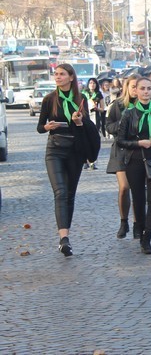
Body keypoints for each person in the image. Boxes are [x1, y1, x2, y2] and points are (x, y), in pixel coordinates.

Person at [36, 64, 93, 257]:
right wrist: (47, 126)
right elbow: (39, 127)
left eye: (62, 74)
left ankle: (65, 235)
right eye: (56, 74)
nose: (58, 77)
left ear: (71, 77)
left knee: (69, 194)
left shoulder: (81, 99)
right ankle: (64, 239)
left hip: (75, 150)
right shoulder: (49, 99)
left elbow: (87, 127)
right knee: (60, 192)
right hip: (55, 149)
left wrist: (79, 122)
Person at [116, 77, 151, 254]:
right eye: (142, 88)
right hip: (134, 160)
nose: (146, 91)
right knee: (139, 200)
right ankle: (140, 232)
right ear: (136, 91)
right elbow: (120, 140)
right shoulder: (129, 113)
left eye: (149, 88)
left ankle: (148, 236)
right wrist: (140, 143)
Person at [106, 75, 140, 239]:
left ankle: (137, 223)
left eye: (138, 86)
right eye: (133, 86)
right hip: (120, 150)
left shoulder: (146, 105)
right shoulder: (118, 105)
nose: (136, 89)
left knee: (138, 189)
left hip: (138, 150)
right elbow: (109, 126)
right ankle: (123, 221)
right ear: (127, 87)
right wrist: (122, 123)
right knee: (124, 187)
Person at [81, 77, 104, 170]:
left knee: (94, 140)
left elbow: (103, 108)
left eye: (94, 83)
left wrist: (97, 108)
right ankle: (85, 160)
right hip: (85, 117)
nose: (92, 85)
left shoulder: (99, 94)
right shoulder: (83, 94)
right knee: (85, 139)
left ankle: (93, 161)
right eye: (90, 83)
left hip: (95, 117)